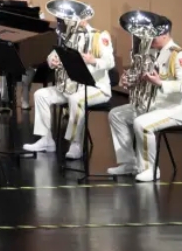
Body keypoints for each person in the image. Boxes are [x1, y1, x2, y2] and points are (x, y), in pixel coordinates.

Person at [24, 17, 113, 159]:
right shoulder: (70, 36)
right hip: (71, 87)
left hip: (96, 88)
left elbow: (110, 62)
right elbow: (53, 55)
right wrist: (51, 60)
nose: (68, 21)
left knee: (76, 99)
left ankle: (75, 143)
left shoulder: (99, 36)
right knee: (40, 95)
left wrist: (93, 60)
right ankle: (46, 140)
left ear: (84, 19)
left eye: (73, 18)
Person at [107, 26, 182, 181]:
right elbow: (143, 78)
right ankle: (129, 163)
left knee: (142, 123)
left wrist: (160, 83)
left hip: (174, 109)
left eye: (154, 35)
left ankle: (150, 169)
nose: (149, 39)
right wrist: (129, 80)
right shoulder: (151, 53)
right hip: (153, 105)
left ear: (165, 34)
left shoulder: (177, 54)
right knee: (116, 114)